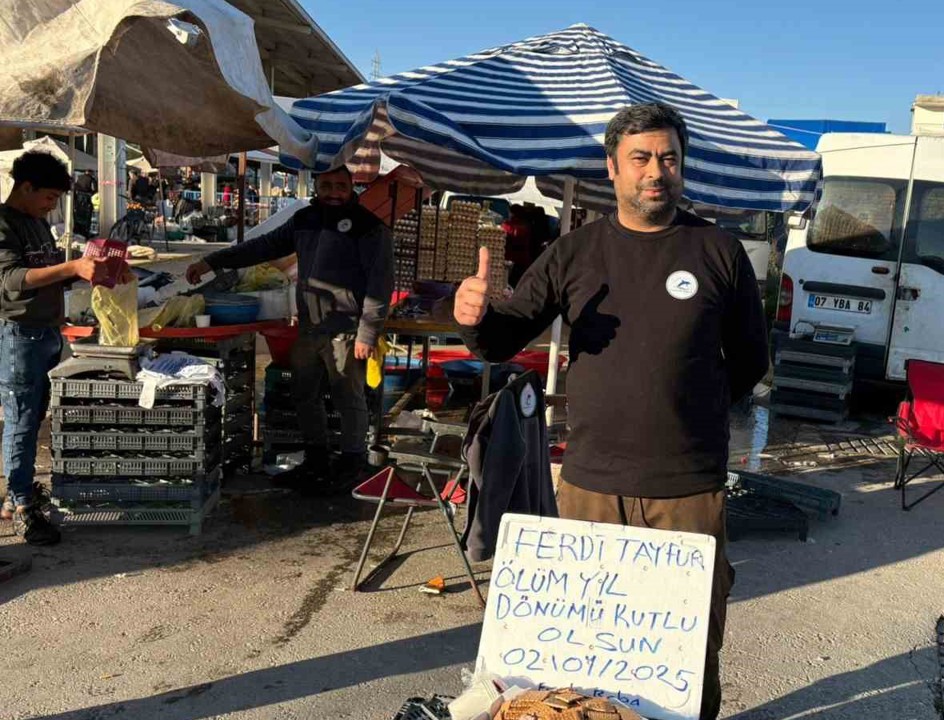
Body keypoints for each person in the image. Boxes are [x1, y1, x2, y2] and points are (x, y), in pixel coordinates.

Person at [453, 102, 768, 720]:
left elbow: (751, 361)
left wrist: (688, 409)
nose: (657, 171)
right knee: (589, 652)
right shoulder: (577, 252)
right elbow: (503, 339)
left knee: (686, 649)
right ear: (613, 167)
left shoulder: (719, 251)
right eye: (641, 158)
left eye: (669, 158)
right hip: (591, 485)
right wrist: (476, 317)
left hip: (686, 488)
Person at [185, 166, 393, 493]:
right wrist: (213, 261)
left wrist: (368, 333)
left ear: (353, 187)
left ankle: (353, 463)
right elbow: (262, 247)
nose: (334, 192)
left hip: (346, 330)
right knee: (303, 394)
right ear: (317, 186)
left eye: (341, 186)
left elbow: (380, 286)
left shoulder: (370, 228)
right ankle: (316, 459)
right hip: (310, 328)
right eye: (327, 185)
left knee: (348, 396)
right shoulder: (305, 220)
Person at [0, 152, 116, 544]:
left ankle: (19, 493)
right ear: (26, 187)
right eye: (49, 197)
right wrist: (70, 268)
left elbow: (47, 277)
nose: (53, 206)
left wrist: (95, 271)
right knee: (21, 420)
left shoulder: (38, 225)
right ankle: (21, 506)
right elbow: (13, 280)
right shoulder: (3, 224)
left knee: (35, 418)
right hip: (18, 334)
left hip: (48, 332)